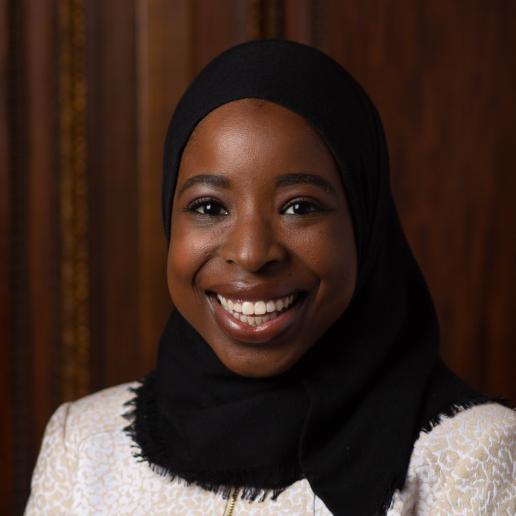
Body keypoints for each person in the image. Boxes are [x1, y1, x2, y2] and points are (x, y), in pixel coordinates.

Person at [25, 40, 514, 516]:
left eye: (299, 206)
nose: (252, 253)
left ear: (364, 225)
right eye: (209, 207)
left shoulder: (474, 459)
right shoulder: (85, 443)